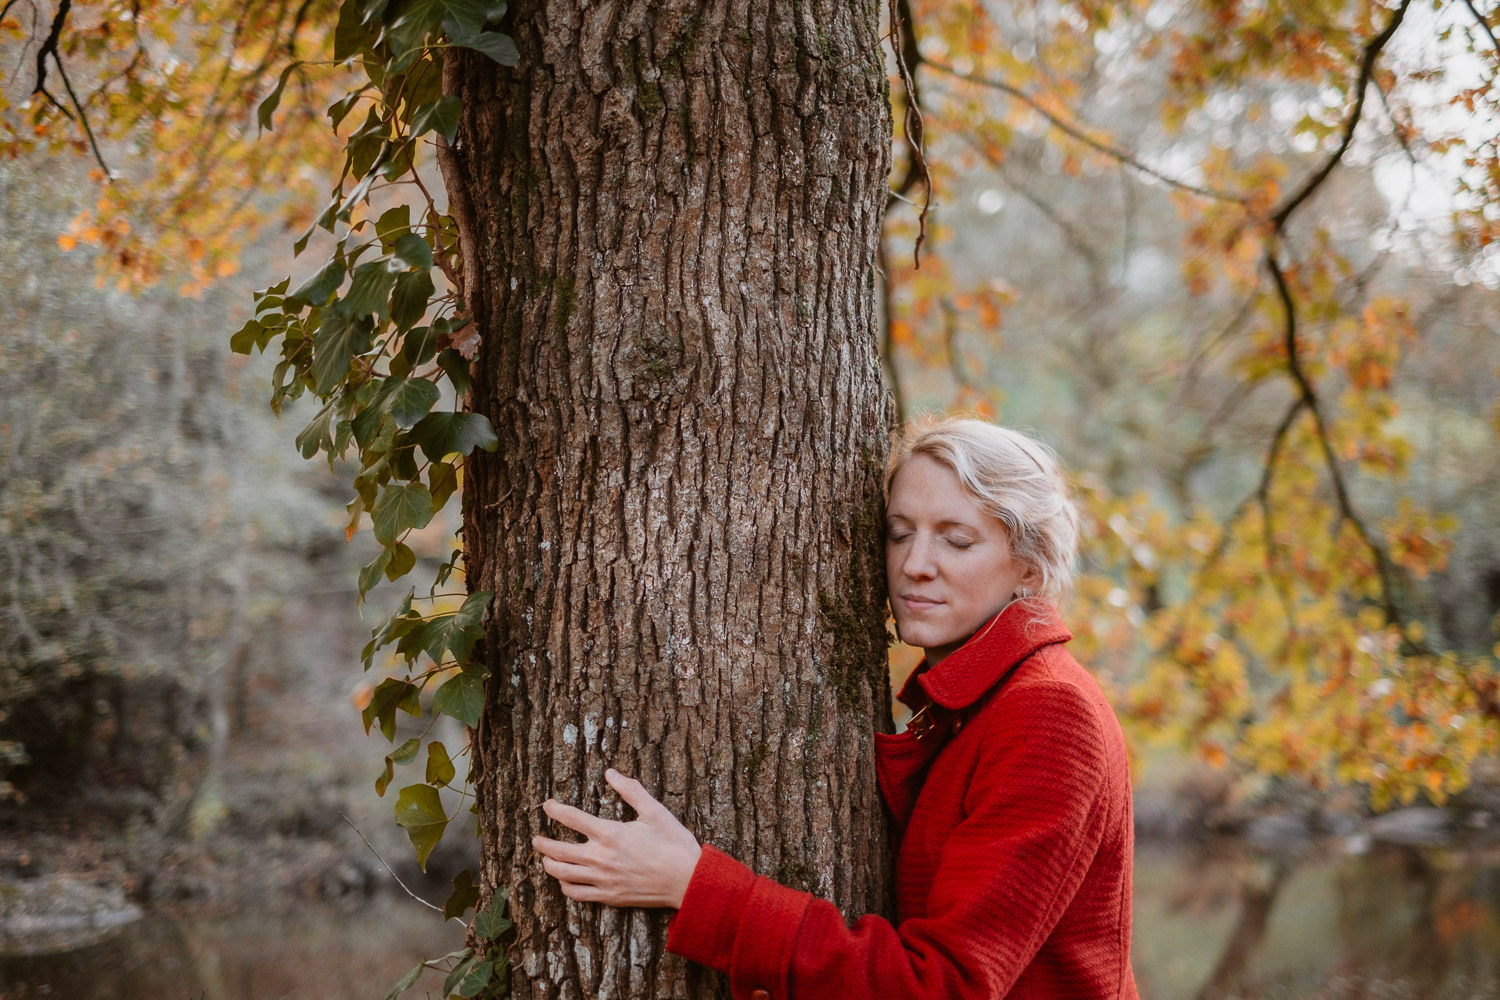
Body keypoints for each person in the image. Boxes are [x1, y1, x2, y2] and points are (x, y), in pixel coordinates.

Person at [532, 416, 1139, 1000]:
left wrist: (696, 887)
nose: (915, 565)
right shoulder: (977, 705)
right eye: (900, 532)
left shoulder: (1049, 716)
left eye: (957, 540)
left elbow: (944, 987)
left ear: (1028, 568)